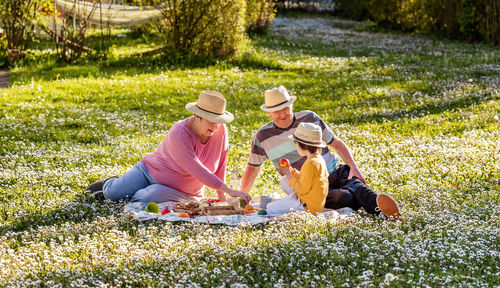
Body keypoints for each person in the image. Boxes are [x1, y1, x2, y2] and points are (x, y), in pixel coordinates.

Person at [240, 86, 400, 218]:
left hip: (334, 171)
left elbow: (336, 143)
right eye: (276, 111)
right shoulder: (263, 136)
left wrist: (354, 167)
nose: (283, 114)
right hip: (309, 183)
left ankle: (381, 208)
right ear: (268, 112)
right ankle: (374, 206)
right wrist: (243, 195)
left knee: (353, 181)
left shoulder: (310, 118)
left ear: (291, 106)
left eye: (286, 108)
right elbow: (253, 167)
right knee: (344, 197)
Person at [86, 91, 251, 204]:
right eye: (211, 121)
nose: (215, 126)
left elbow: (221, 163)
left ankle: (133, 191)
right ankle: (109, 184)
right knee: (114, 194)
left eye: (219, 120)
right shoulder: (179, 132)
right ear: (197, 116)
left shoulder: (221, 130)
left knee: (150, 196)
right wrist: (229, 190)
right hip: (148, 171)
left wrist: (222, 198)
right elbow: (197, 169)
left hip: (183, 193)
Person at [268, 122, 329, 215]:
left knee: (270, 208)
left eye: (296, 144)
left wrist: (288, 174)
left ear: (303, 145)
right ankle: (289, 201)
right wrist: (293, 173)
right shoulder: (317, 159)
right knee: (284, 180)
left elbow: (302, 189)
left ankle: (292, 203)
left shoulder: (311, 163)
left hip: (308, 207)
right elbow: (310, 180)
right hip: (314, 201)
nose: (296, 147)